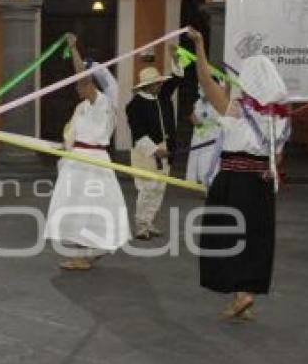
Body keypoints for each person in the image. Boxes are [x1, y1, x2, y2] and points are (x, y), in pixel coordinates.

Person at [189, 29, 291, 320]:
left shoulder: (235, 110)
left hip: (233, 181)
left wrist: (199, 45)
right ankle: (245, 294)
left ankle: (241, 294)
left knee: (228, 237)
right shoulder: (279, 118)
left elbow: (206, 82)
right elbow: (278, 157)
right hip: (261, 184)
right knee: (256, 237)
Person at [45, 34, 130, 270]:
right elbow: (73, 135)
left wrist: (74, 49)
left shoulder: (102, 103)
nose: (79, 89)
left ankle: (89, 252)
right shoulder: (81, 108)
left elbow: (82, 79)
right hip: (77, 162)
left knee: (91, 207)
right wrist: (64, 149)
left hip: (92, 162)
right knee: (74, 207)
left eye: (85, 85)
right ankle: (84, 254)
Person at [125, 51, 184, 240]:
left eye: (160, 82)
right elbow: (138, 133)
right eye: (158, 83)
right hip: (146, 153)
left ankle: (149, 221)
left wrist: (175, 60)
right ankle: (141, 225)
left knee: (159, 188)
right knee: (147, 188)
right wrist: (155, 150)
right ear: (148, 85)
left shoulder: (162, 95)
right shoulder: (134, 105)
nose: (161, 85)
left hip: (166, 150)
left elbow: (176, 78)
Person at [185, 84, 223, 186]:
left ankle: (209, 184)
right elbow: (192, 114)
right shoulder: (198, 102)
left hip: (213, 135)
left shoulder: (218, 102)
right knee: (197, 157)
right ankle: (199, 183)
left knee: (210, 160)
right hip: (200, 133)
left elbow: (219, 119)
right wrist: (197, 124)